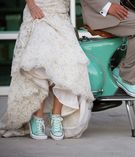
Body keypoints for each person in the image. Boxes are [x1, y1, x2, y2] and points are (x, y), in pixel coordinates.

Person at [0, 0, 94, 140]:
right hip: (38, 10)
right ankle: (37, 118)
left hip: (60, 14)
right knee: (40, 63)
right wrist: (32, 6)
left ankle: (57, 116)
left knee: (67, 64)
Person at [80, 0, 135, 98]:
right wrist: (107, 6)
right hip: (100, 12)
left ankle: (121, 71)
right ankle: (127, 79)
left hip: (120, 8)